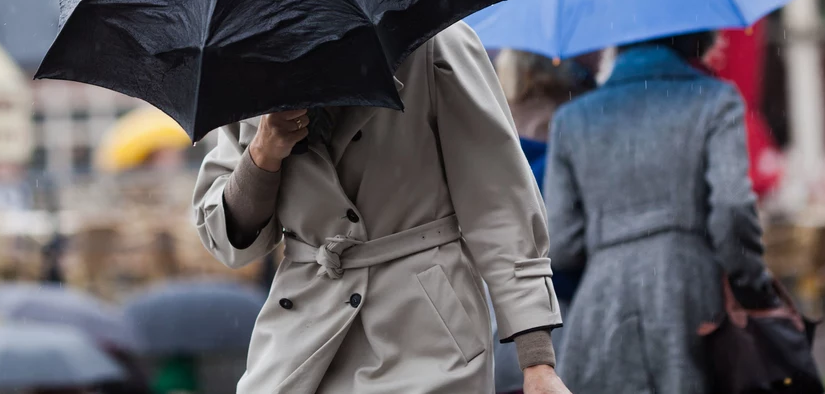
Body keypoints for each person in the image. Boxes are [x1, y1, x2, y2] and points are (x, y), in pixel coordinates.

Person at [193, 23, 571, 394]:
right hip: (301, 340)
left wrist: (535, 358)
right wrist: (263, 154)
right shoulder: (245, 64)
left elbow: (498, 201)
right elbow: (229, 241)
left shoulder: (433, 41)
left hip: (427, 336)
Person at [544, 32, 777, 393]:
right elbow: (732, 208)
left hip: (601, 306)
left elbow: (560, 244)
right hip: (690, 297)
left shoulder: (572, 118)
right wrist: (752, 285)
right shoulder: (714, 100)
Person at [490, 50, 599, 394]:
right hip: (569, 318)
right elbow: (566, 244)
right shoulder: (584, 117)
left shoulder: (491, 115)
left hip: (503, 319)